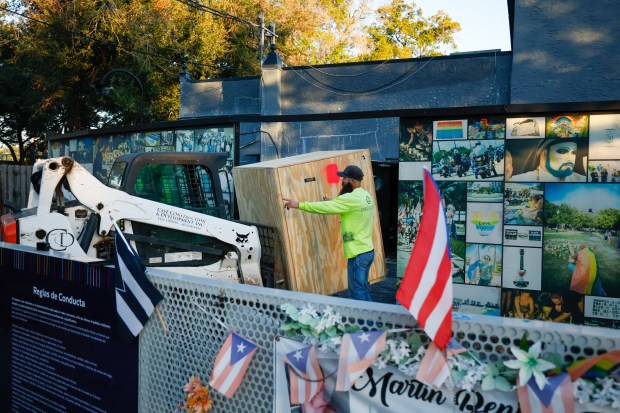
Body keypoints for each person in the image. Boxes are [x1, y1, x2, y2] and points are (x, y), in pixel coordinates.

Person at [283, 165, 375, 301]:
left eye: (344, 178)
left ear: (352, 180)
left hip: (358, 254)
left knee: (357, 293)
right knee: (362, 289)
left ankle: (363, 322)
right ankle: (373, 320)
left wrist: (299, 205)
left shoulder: (350, 198)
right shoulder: (366, 196)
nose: (341, 181)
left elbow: (324, 208)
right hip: (368, 251)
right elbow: (351, 210)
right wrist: (334, 203)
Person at [510, 138, 586, 182]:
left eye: (574, 152)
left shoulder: (582, 180)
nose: (570, 158)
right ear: (544, 153)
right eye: (562, 151)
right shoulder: (518, 180)